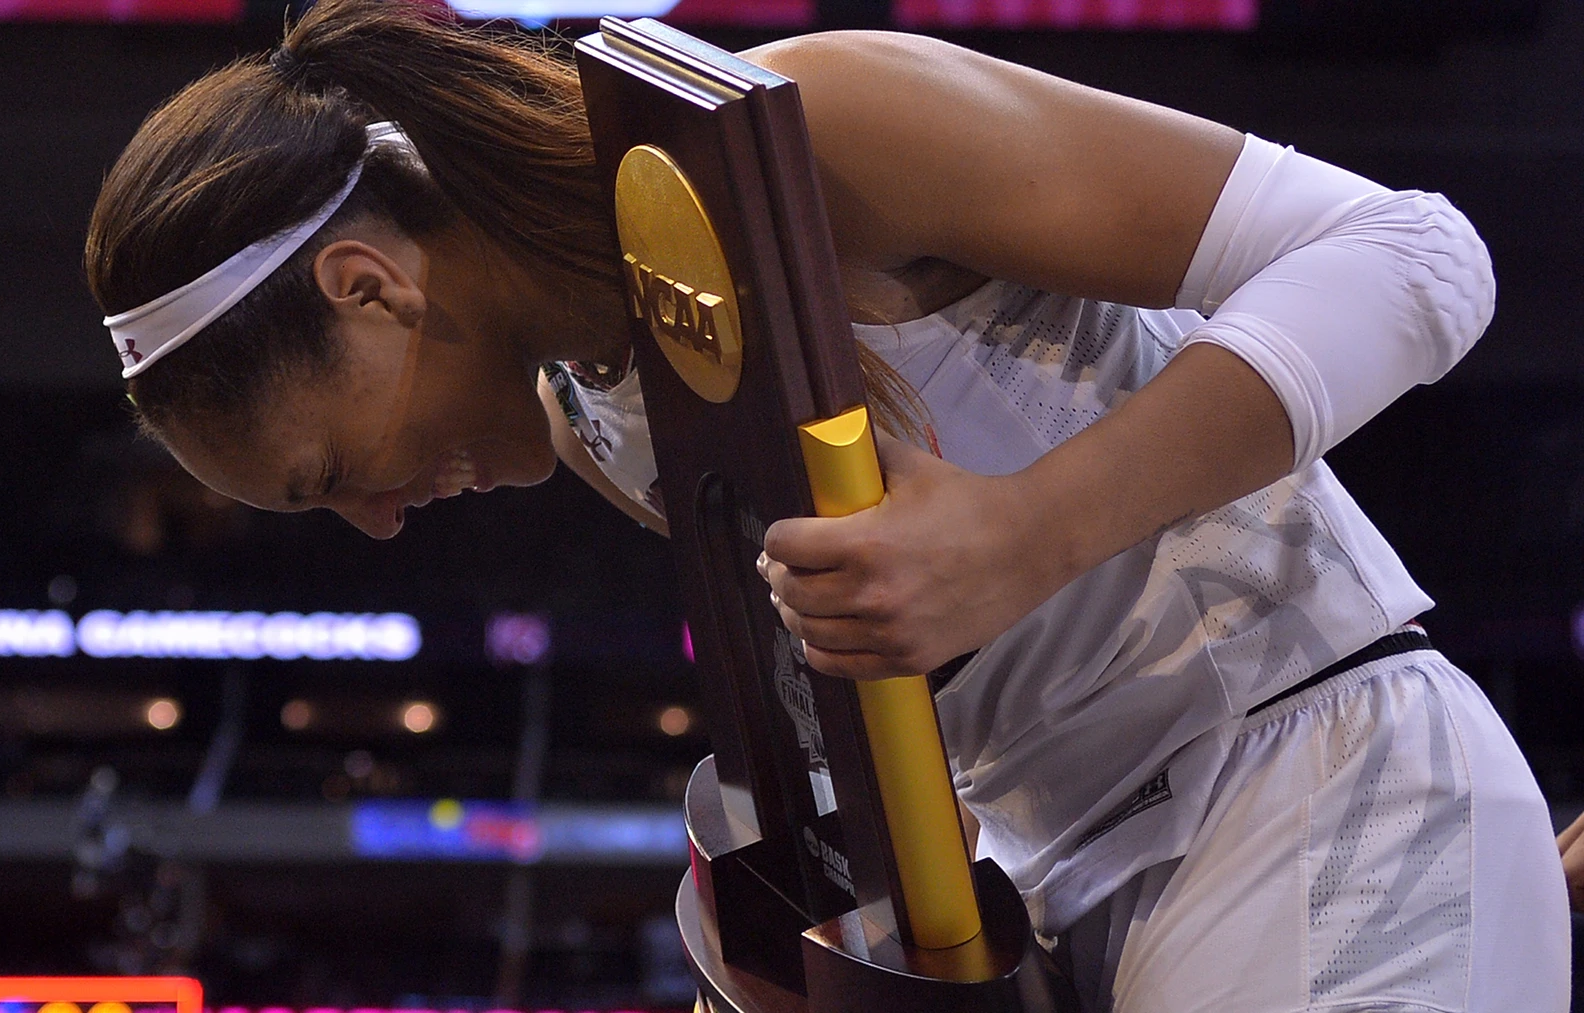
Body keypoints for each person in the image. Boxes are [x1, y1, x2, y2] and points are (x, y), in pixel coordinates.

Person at [83, 1, 1568, 1008]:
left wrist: (1024, 529)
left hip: (1310, 774)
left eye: (327, 477)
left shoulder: (808, 127)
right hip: (1073, 887)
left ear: (367, 285)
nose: (378, 524)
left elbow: (1416, 256)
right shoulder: (597, 419)